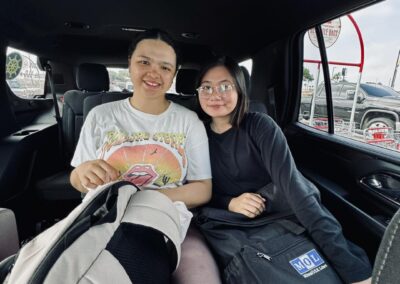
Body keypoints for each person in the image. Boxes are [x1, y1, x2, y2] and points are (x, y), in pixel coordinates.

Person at [196, 56, 372, 284]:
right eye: (206, 87)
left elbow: (295, 191)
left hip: (281, 217)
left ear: (240, 89)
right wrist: (230, 202)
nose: (215, 95)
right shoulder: (195, 136)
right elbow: (195, 192)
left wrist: (353, 270)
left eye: (225, 86)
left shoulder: (260, 125)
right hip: (231, 225)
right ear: (198, 92)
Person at [70, 29, 219, 283]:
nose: (154, 73)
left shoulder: (188, 122)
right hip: (103, 215)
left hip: (162, 218)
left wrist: (144, 199)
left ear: (173, 74)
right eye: (144, 62)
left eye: (165, 67)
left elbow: (203, 189)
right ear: (130, 64)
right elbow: (76, 178)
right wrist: (82, 174)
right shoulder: (100, 116)